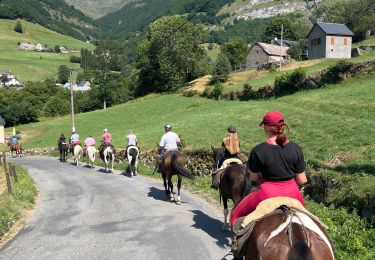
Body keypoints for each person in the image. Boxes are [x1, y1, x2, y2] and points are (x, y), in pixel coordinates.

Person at [230, 111, 307, 226]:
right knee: (307, 219)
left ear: (267, 127)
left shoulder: (259, 150)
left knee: (235, 214)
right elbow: (302, 180)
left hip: (267, 193)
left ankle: (236, 240)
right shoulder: (296, 148)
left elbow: (254, 178)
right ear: (282, 127)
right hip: (292, 193)